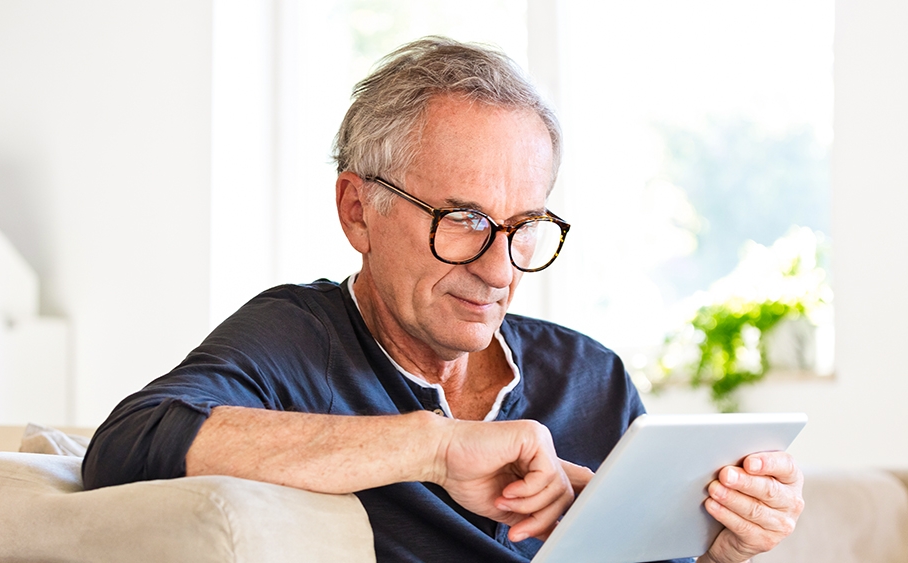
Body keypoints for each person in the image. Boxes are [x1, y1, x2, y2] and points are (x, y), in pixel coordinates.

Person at [82, 37, 804, 563]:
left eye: (524, 227)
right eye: (462, 219)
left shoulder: (592, 377)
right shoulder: (297, 341)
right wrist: (434, 447)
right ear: (357, 210)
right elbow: (127, 445)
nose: (499, 270)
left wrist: (723, 549)